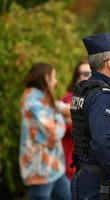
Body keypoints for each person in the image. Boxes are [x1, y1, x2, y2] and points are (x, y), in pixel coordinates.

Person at [70, 33, 110, 200]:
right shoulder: (102, 95)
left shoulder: (85, 88)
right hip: (98, 182)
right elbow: (103, 142)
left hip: (85, 175)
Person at [19, 63, 71, 200]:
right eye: (53, 77)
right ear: (46, 78)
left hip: (54, 170)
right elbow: (54, 133)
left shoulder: (43, 100)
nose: (55, 81)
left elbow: (61, 107)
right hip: (39, 172)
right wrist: (60, 119)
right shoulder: (32, 104)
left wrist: (88, 107)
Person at [60, 61, 91, 181]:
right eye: (85, 73)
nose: (89, 76)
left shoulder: (100, 98)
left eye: (92, 73)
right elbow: (75, 128)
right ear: (77, 78)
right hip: (70, 166)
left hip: (91, 167)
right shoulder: (68, 98)